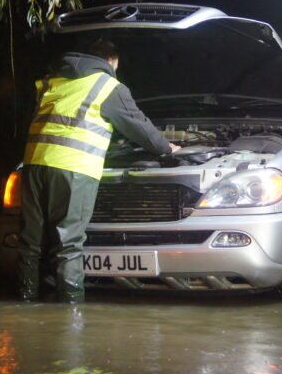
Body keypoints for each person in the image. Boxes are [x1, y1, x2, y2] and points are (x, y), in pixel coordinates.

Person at [17, 36, 179, 303]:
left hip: (34, 165)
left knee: (30, 243)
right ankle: (70, 311)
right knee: (68, 244)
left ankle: (23, 303)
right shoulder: (107, 86)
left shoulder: (51, 81)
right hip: (73, 169)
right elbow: (139, 127)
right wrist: (167, 148)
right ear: (110, 60)